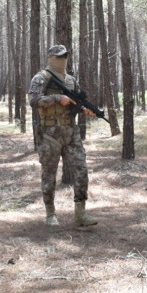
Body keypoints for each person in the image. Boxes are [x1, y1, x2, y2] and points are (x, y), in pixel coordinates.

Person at [28, 45, 98, 227]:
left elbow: (75, 102)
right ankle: (50, 214)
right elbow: (34, 101)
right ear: (51, 58)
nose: (63, 60)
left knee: (81, 169)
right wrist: (57, 98)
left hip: (71, 133)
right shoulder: (41, 78)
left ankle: (80, 213)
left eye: (65, 56)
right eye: (59, 56)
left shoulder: (71, 81)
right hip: (49, 134)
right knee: (49, 174)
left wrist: (85, 110)